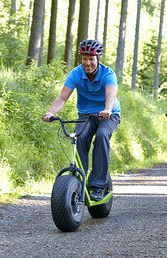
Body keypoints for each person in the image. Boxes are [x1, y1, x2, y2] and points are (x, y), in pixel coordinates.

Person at [43, 39, 120, 201]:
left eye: (91, 59)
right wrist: (51, 112)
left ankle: (98, 185)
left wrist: (107, 109)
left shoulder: (108, 74)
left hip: (109, 114)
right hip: (86, 115)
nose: (88, 63)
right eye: (85, 59)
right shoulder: (76, 73)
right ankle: (81, 181)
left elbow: (111, 95)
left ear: (98, 59)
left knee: (102, 136)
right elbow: (62, 98)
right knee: (79, 139)